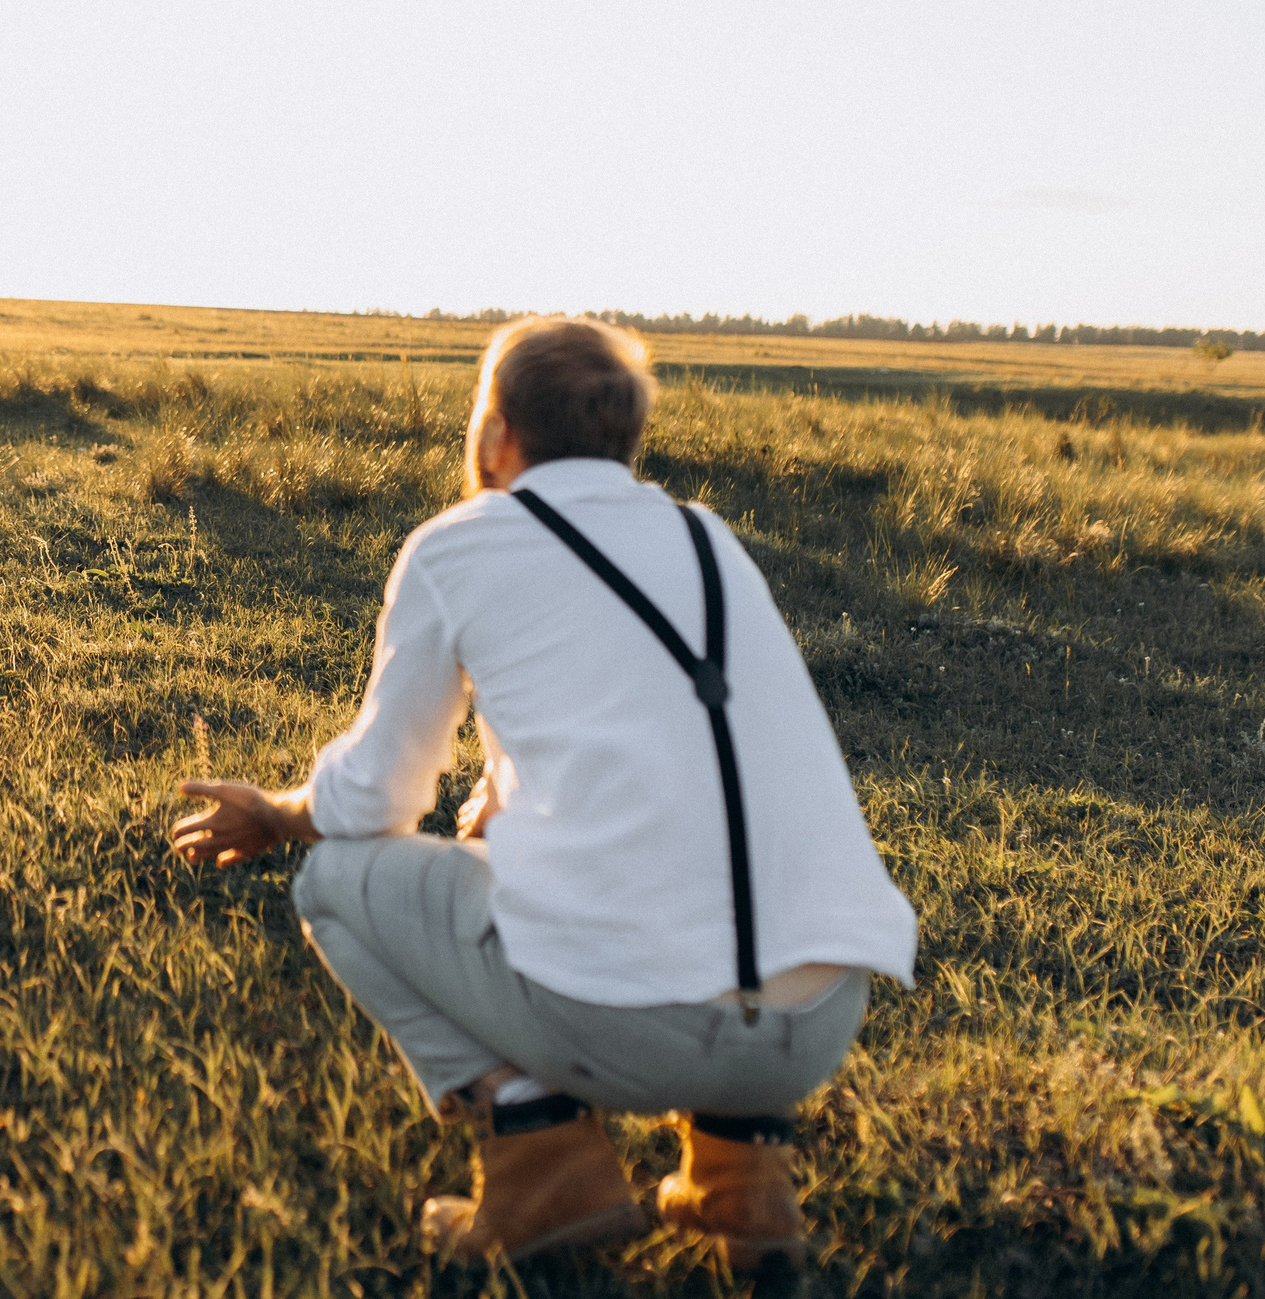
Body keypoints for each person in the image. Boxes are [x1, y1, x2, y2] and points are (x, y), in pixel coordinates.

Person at [170, 316, 916, 1276]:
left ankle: (545, 1169)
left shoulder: (458, 546)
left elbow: (374, 800)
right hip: (817, 1022)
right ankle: (742, 1176)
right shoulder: (710, 540)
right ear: (624, 438)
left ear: (495, 433)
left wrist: (279, 813)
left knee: (338, 879)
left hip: (639, 1021)